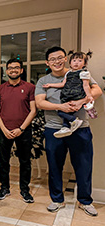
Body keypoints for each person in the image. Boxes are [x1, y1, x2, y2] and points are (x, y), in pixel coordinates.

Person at [35, 46, 102, 216]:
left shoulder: (78, 72)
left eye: (60, 58)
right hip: (54, 130)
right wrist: (61, 107)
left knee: (84, 165)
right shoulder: (43, 81)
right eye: (52, 59)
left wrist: (81, 102)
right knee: (55, 166)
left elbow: (97, 90)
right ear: (47, 63)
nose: (56, 61)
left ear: (65, 59)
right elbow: (40, 103)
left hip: (80, 128)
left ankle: (85, 201)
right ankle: (57, 199)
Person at [0, 58, 36, 202]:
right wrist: (4, 129)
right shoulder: (0, 89)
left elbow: (33, 110)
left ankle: (25, 190)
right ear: (7, 70)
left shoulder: (30, 87)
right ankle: (4, 188)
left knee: (25, 161)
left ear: (21, 70)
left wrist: (21, 128)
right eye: (10, 68)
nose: (13, 70)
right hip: (4, 131)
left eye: (16, 67)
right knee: (3, 161)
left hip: (23, 131)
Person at [42, 50, 94, 138]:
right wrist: (50, 85)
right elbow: (63, 84)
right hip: (67, 95)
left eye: (80, 61)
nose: (76, 63)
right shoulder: (68, 73)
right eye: (74, 60)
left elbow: (86, 85)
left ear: (84, 64)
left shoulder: (84, 73)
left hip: (77, 95)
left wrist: (88, 96)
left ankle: (74, 121)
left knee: (62, 112)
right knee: (65, 112)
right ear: (70, 63)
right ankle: (66, 127)